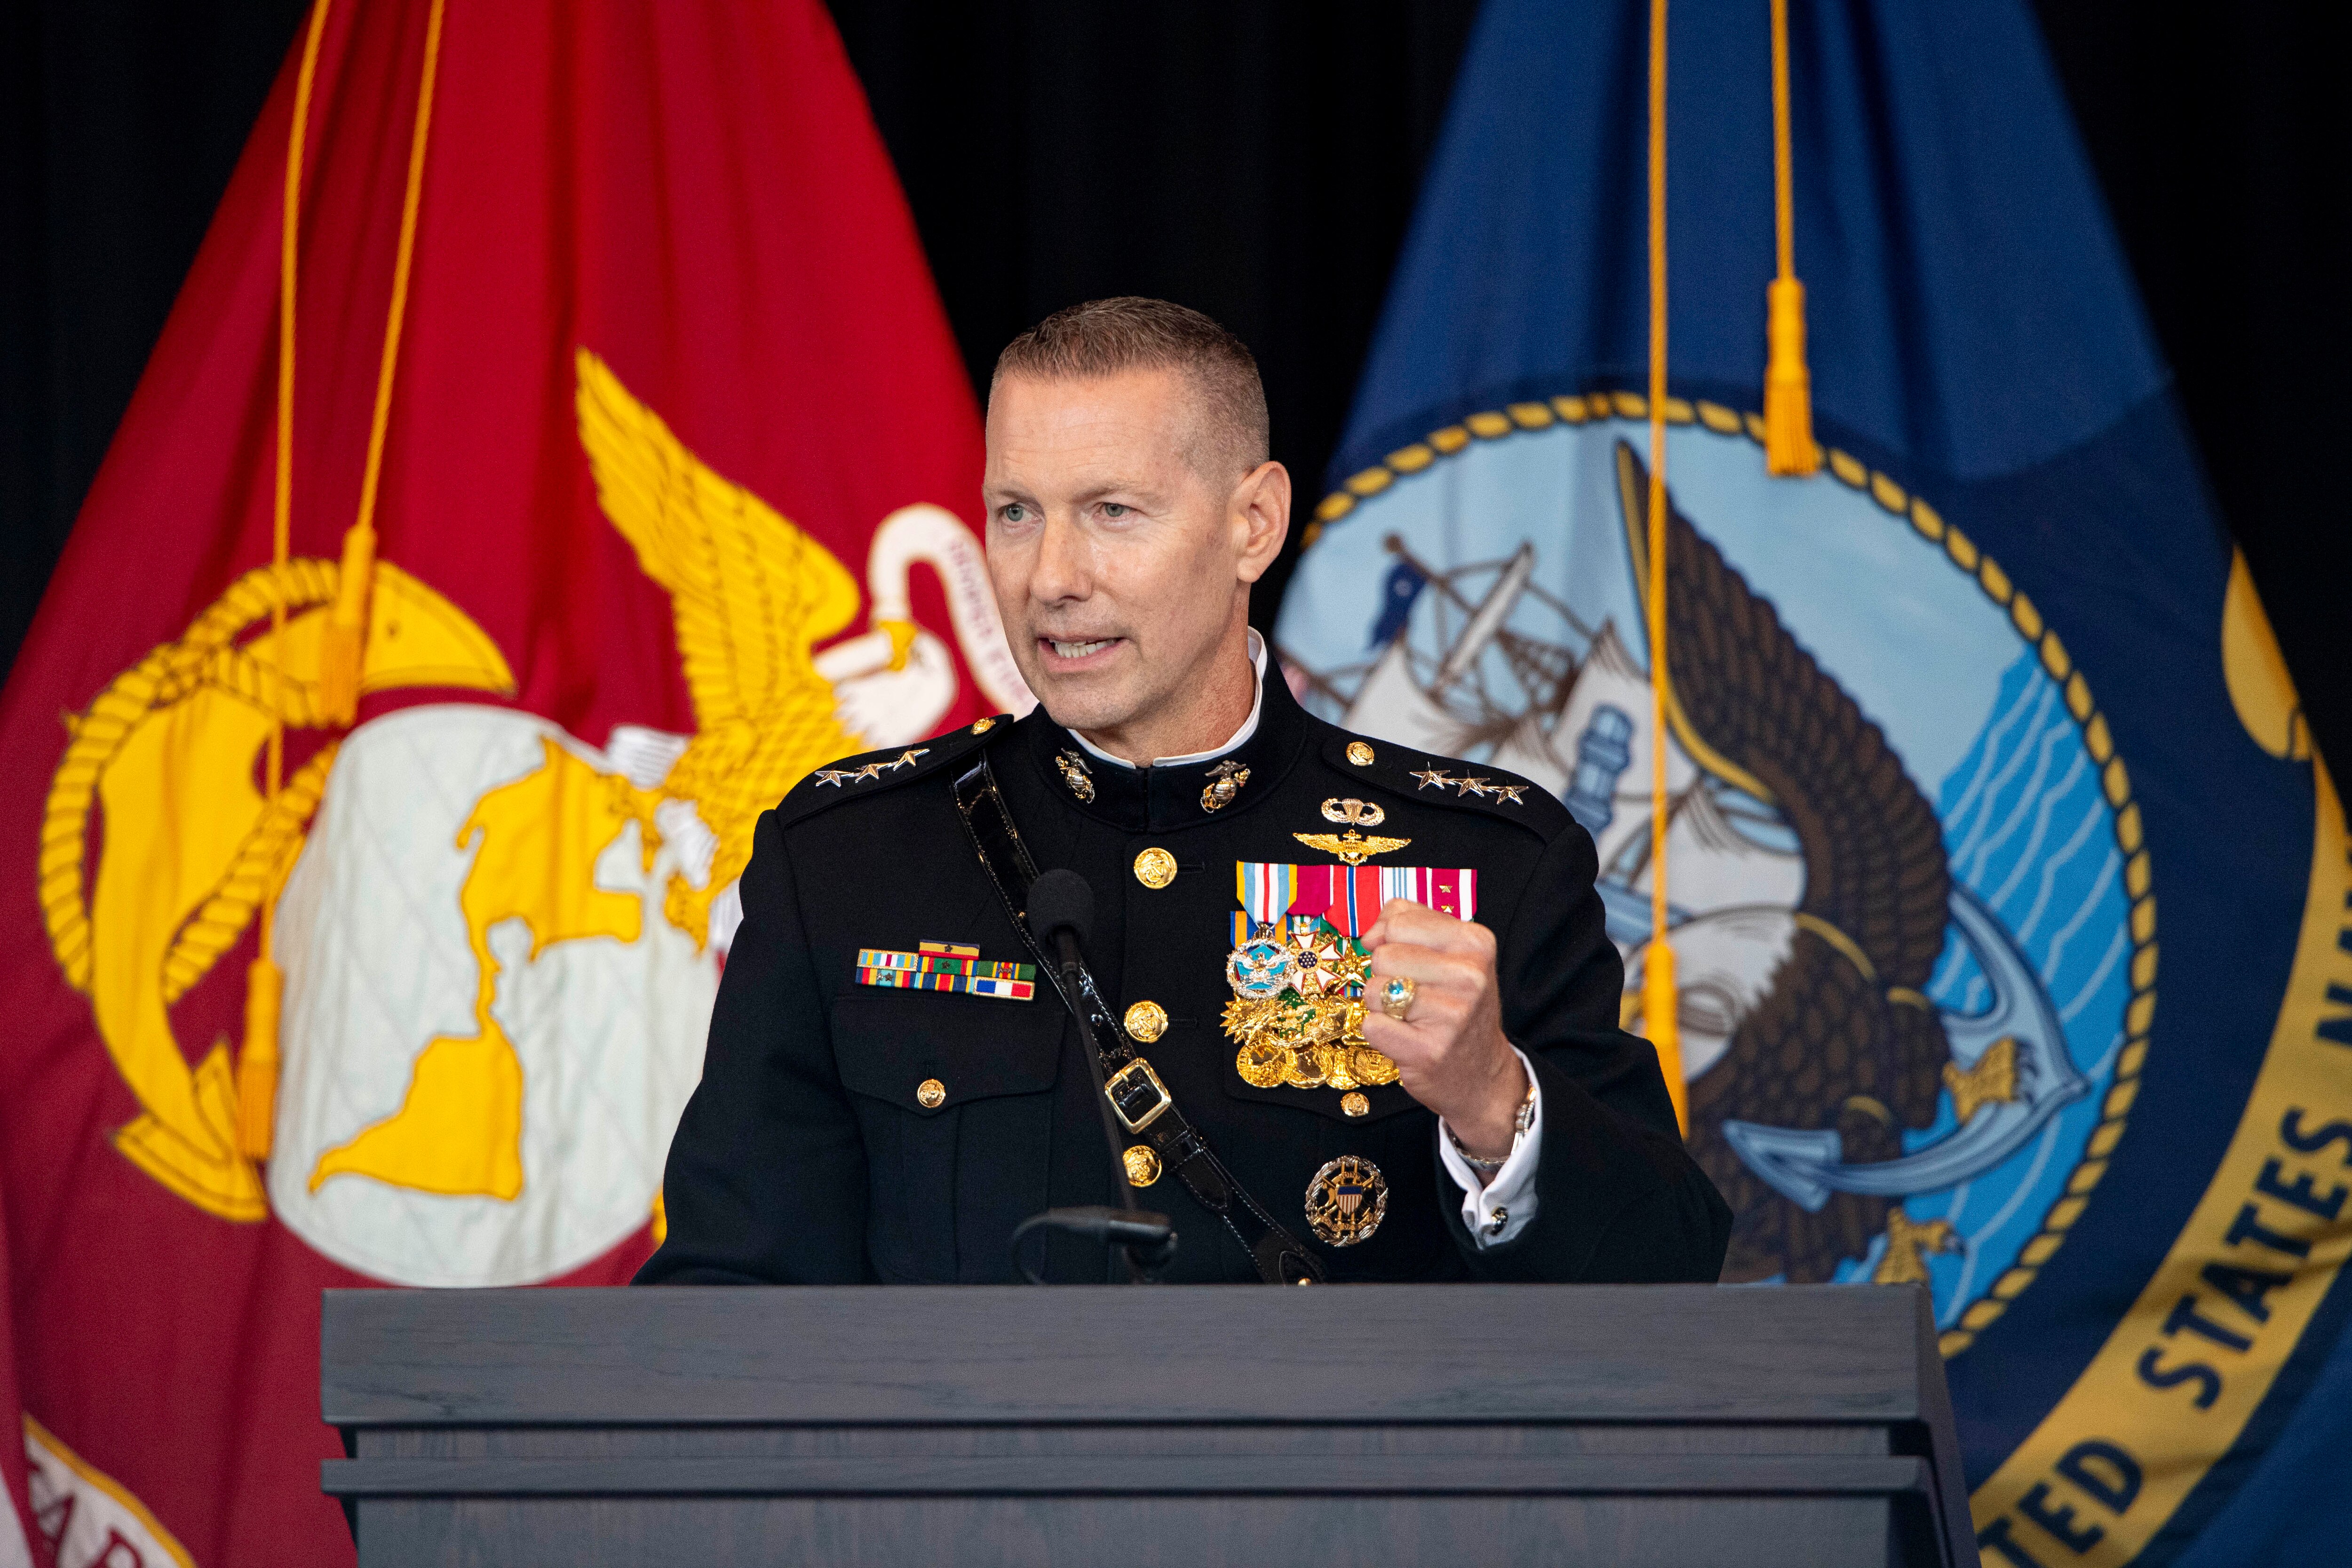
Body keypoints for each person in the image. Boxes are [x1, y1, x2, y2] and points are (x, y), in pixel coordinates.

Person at [638, 297, 1730, 1285]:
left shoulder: (1493, 863)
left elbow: (1666, 1279)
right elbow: (731, 1303)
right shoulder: (847, 861)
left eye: (1112, 511)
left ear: (1251, 523)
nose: (1051, 575)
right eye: (1016, 511)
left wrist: (1496, 1102)